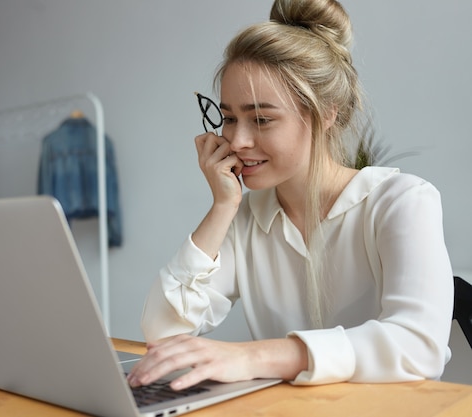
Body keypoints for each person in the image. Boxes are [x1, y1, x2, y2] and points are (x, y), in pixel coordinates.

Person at [127, 0, 453, 390]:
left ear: (325, 113)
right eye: (229, 118)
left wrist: (254, 356)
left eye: (262, 119)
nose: (238, 140)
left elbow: (419, 346)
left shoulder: (401, 202)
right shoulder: (247, 218)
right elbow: (163, 332)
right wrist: (223, 206)